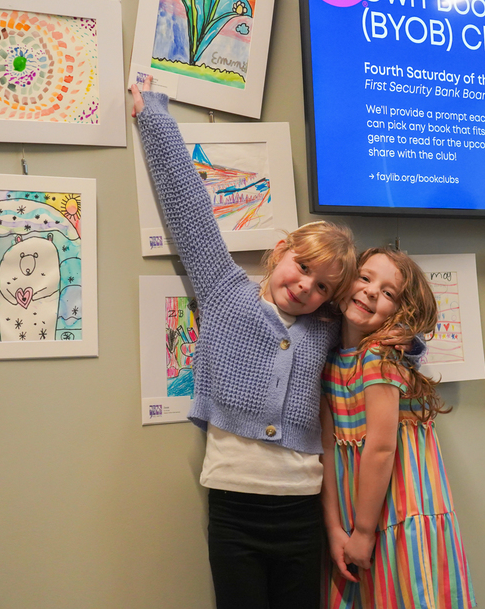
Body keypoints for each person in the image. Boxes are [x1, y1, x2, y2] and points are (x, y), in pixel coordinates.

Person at [131, 79, 358, 609]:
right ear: (280, 253)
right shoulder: (225, 292)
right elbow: (190, 213)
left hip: (303, 511)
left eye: (323, 286)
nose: (306, 287)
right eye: (302, 268)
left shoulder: (325, 331)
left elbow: (378, 329)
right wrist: (153, 117)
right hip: (235, 508)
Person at [321, 247, 475, 609]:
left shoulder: (378, 357)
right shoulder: (329, 360)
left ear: (400, 312)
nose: (373, 291)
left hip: (395, 514)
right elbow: (324, 447)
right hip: (356, 516)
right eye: (365, 277)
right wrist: (334, 528)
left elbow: (380, 448)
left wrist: (361, 531)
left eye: (389, 293)